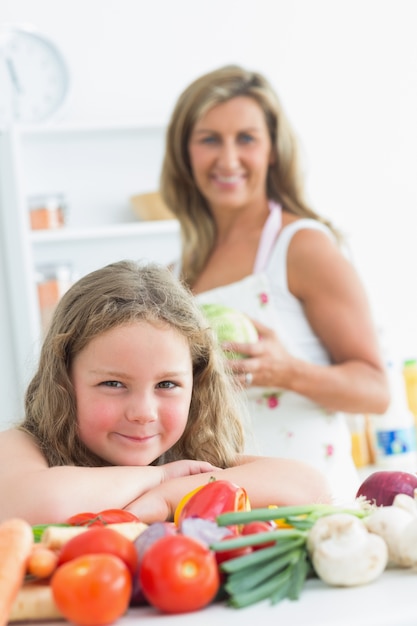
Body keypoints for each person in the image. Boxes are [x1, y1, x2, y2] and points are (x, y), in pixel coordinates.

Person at [160, 64, 390, 503]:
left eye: (246, 138)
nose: (228, 159)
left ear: (271, 151)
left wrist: (287, 371)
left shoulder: (300, 246)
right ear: (185, 152)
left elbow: (376, 391)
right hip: (224, 508)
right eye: (209, 139)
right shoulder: (175, 275)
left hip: (313, 506)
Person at [0, 260, 331, 525]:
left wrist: (168, 495)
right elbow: (32, 503)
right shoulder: (24, 447)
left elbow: (310, 488)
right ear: (63, 380)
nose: (143, 412)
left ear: (195, 384)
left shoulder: (190, 457)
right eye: (113, 384)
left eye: (167, 385)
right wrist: (155, 476)